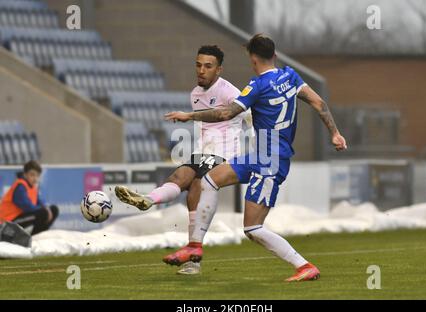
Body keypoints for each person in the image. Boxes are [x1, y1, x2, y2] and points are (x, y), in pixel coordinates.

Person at [164, 34, 347, 282]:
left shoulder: (257, 85)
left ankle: (303, 265)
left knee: (252, 228)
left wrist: (190, 116)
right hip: (259, 155)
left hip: (271, 161)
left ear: (253, 59)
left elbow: (226, 113)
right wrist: (335, 133)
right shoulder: (290, 76)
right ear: (274, 55)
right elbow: (318, 102)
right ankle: (194, 245)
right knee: (209, 180)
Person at [115, 45, 252, 275]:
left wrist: (260, 145)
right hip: (203, 151)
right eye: (198, 65)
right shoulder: (195, 94)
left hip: (225, 153)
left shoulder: (230, 92)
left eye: (208, 66)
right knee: (178, 177)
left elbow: (250, 116)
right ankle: (148, 200)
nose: (201, 70)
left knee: (196, 189)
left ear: (219, 69)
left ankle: (193, 261)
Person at [0, 160, 59, 235]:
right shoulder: (20, 186)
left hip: (18, 218)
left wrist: (47, 208)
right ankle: (34, 235)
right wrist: (45, 210)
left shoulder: (32, 187)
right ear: (25, 174)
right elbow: (27, 207)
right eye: (32, 175)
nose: (35, 178)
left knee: (54, 209)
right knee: (43, 213)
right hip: (8, 222)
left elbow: (40, 202)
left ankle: (40, 234)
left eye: (37, 175)